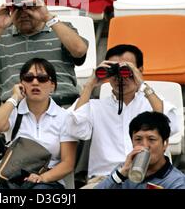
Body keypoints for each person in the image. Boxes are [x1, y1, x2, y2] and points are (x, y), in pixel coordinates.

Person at [0, 0, 88, 187]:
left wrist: (48, 17)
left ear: (41, 4)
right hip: (16, 111)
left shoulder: (60, 28)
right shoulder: (2, 36)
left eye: (30, 6)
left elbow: (79, 50)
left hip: (62, 106)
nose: (23, 12)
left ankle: (78, 181)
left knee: (84, 118)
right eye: (16, 7)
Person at [66, 44, 179, 188]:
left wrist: (142, 84)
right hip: (105, 179)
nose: (120, 77)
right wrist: (89, 85)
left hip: (148, 178)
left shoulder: (152, 102)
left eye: (127, 70)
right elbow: (73, 130)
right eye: (114, 71)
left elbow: (171, 127)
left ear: (140, 71)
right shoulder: (94, 106)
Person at [0, 57, 77, 189]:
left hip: (48, 181)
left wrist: (41, 178)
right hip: (14, 179)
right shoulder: (14, 112)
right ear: (21, 84)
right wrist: (14, 97)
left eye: (42, 78)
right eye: (29, 78)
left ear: (53, 85)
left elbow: (68, 163)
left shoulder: (64, 117)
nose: (35, 82)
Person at [96, 111, 185, 189]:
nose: (145, 146)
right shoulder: (124, 170)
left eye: (151, 139)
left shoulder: (176, 182)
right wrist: (121, 174)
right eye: (138, 139)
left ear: (165, 143)